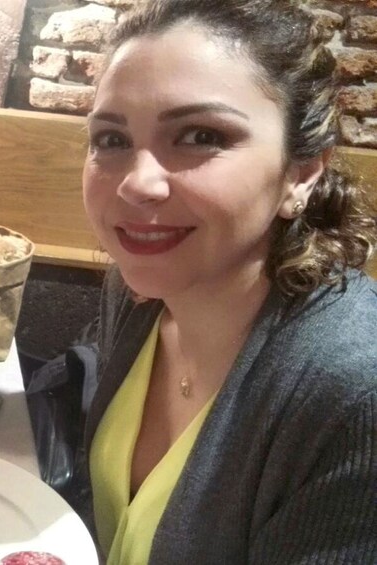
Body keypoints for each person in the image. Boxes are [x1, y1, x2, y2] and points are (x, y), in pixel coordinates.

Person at [80, 0, 377, 562]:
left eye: (199, 135)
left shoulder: (356, 394)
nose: (137, 185)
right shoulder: (139, 291)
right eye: (112, 140)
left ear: (301, 175)